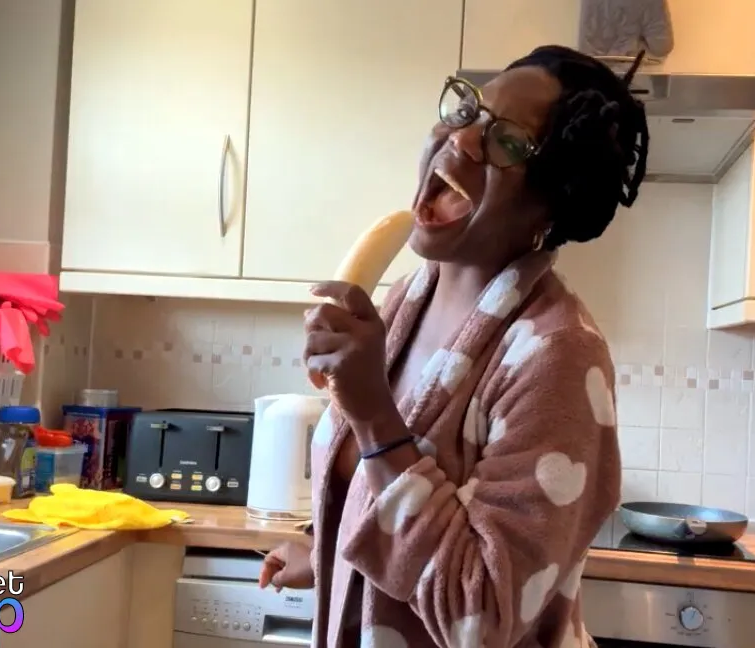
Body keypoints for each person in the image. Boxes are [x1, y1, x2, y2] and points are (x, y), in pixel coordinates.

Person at [259, 44, 649, 648]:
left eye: (509, 142)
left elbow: (483, 617)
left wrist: (373, 416)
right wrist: (327, 549)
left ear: (550, 205)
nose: (464, 139)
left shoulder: (559, 354)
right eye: (469, 112)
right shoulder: (403, 299)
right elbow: (383, 491)